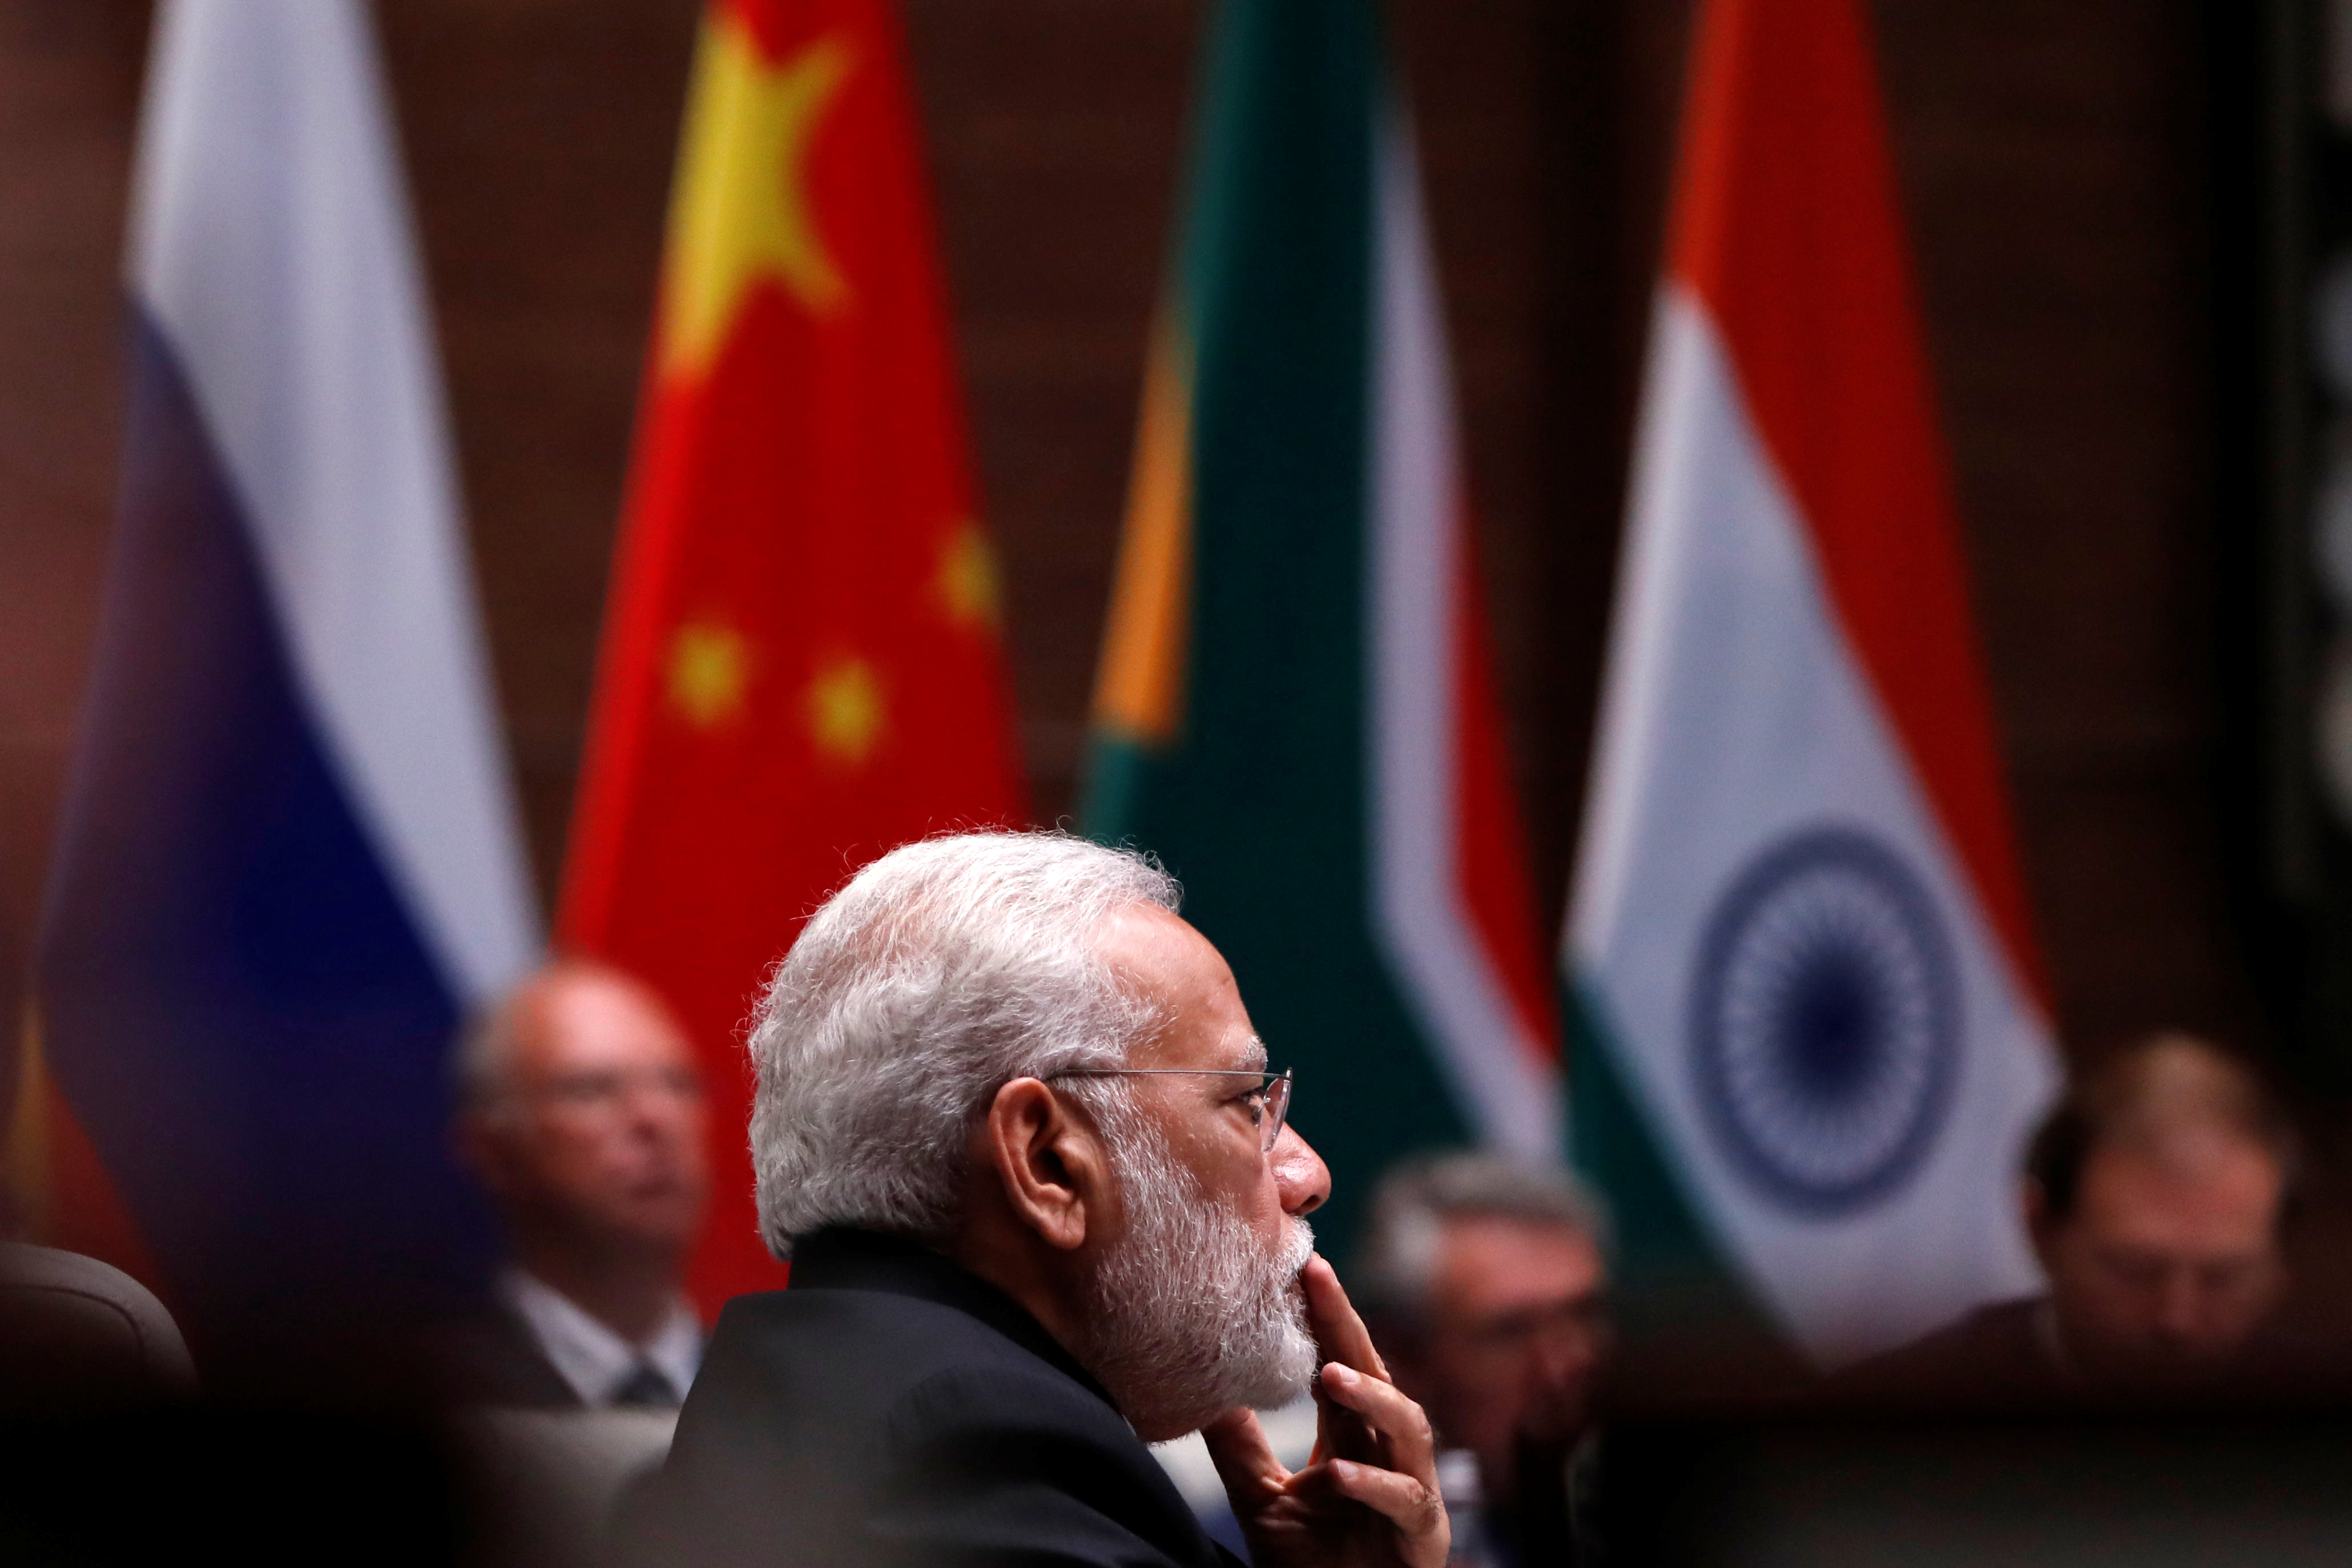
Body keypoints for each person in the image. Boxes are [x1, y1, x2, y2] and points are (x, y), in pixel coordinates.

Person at [621, 832, 1450, 1568]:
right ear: (1048, 1160)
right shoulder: (978, 1452)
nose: (1307, 1173)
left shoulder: (826, 1382)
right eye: (1245, 1103)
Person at [1846, 1031, 2311, 1402]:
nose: (2177, 1319)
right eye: (2134, 1272)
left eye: (2223, 1278)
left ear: (2281, 1265)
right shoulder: (1885, 1421)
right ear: (2040, 1230)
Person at [444, 960, 711, 1410]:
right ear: (492, 1149)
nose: (655, 1118)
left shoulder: (790, 1399)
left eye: (677, 1083)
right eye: (592, 1089)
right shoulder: (428, 1416)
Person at [1355, 1154, 1609, 1567]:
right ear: (1396, 1356)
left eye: (1584, 1314)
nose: (1566, 1365)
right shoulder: (1300, 1529)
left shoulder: (1664, 1508)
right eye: (1510, 1331)